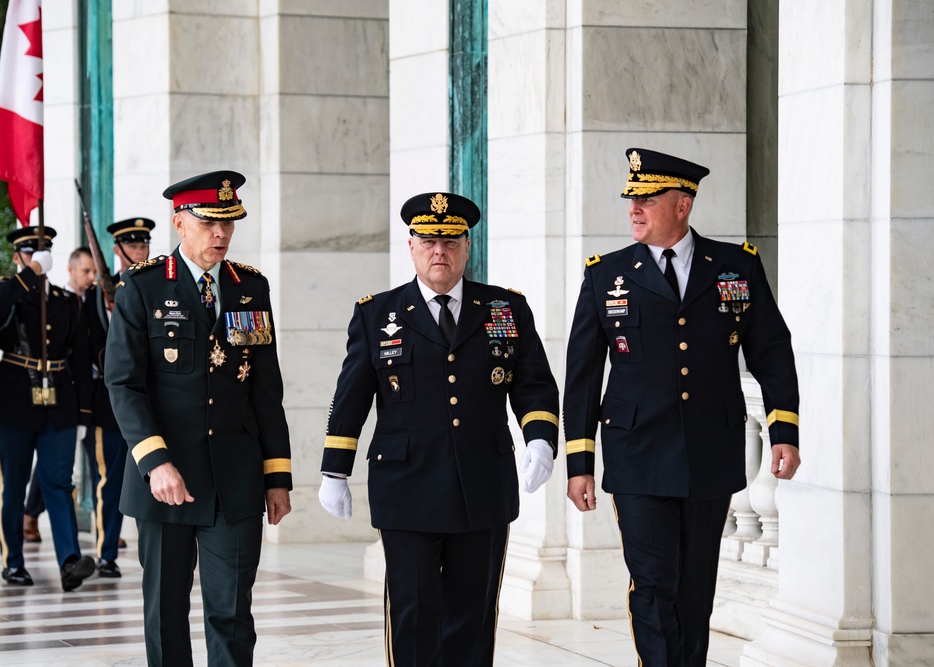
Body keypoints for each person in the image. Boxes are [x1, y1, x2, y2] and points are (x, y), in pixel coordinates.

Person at [563, 148, 802, 666]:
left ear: (683, 204)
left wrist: (784, 428)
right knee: (652, 584)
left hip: (710, 453)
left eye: (647, 199)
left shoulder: (736, 267)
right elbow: (582, 376)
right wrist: (579, 462)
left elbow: (772, 351)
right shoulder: (606, 276)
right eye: (632, 200)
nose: (634, 209)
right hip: (637, 456)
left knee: (695, 589)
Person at [318, 192, 560, 666]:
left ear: (467, 247)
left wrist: (540, 439)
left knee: (472, 620)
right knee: (412, 615)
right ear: (411, 245)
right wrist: (334, 471)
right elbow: (351, 397)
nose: (439, 251)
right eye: (428, 240)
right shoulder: (377, 314)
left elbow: (534, 384)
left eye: (450, 241)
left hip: (482, 488)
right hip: (406, 490)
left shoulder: (505, 309)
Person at [104, 171, 293, 667]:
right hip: (167, 479)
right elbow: (124, 384)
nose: (220, 235)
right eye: (209, 222)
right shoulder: (142, 288)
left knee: (232, 616)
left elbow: (266, 391)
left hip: (235, 481)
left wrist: (277, 477)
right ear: (179, 222)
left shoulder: (250, 288)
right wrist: (155, 461)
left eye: (229, 224)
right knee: (166, 616)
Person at [0, 226, 96, 591]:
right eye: (30, 254)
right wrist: (28, 276)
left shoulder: (67, 300)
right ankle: (13, 562)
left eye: (42, 254)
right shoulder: (8, 293)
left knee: (59, 484)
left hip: (60, 401)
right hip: (16, 398)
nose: (38, 259)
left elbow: (80, 359)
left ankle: (69, 562)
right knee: (13, 485)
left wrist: (83, 414)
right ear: (18, 257)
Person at [81, 217, 155, 577]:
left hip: (152, 407)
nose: (141, 251)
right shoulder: (96, 295)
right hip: (107, 407)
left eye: (144, 244)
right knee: (109, 483)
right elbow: (86, 348)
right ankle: (105, 552)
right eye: (134, 245)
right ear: (117, 249)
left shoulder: (155, 288)